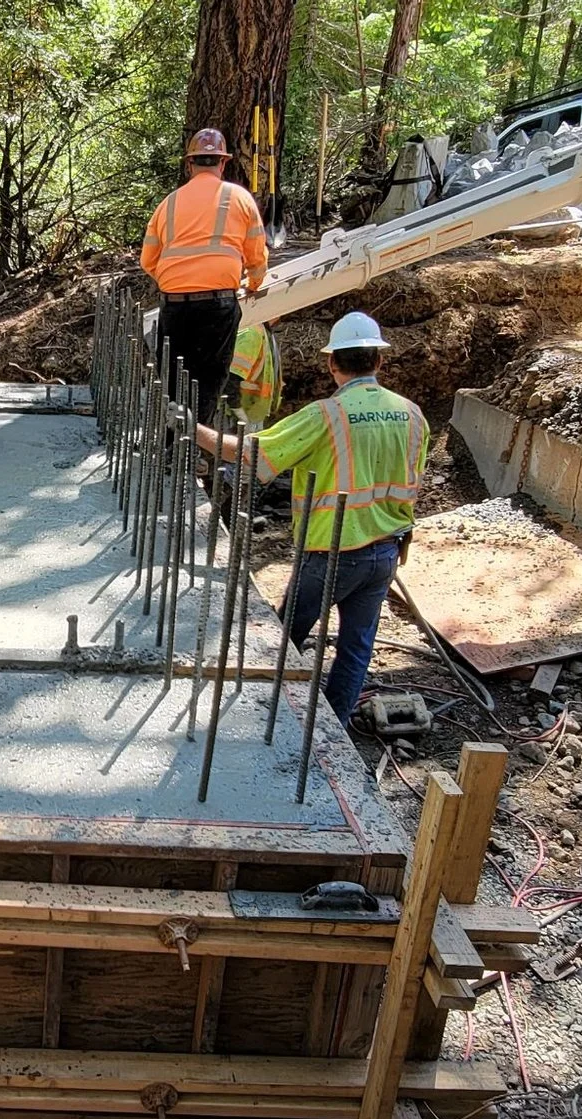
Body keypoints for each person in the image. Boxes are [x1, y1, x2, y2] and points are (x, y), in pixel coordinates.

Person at [193, 311, 425, 727]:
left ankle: (268, 723)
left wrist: (193, 430)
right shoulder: (412, 414)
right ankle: (331, 730)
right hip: (387, 551)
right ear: (379, 361)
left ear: (332, 363)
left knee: (281, 642)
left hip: (330, 553)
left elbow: (249, 453)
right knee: (356, 647)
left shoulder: (327, 416)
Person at [140, 128, 268, 424]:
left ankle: (173, 445)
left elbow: (147, 259)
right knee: (208, 380)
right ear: (223, 163)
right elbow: (257, 257)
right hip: (218, 305)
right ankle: (193, 446)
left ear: (190, 164)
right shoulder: (240, 198)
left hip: (175, 304)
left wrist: (175, 279)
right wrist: (254, 284)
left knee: (173, 377)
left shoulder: (168, 204)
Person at [229, 320, 280, 427]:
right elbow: (231, 377)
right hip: (238, 414)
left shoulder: (263, 332)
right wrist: (237, 409)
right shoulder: (252, 332)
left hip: (251, 411)